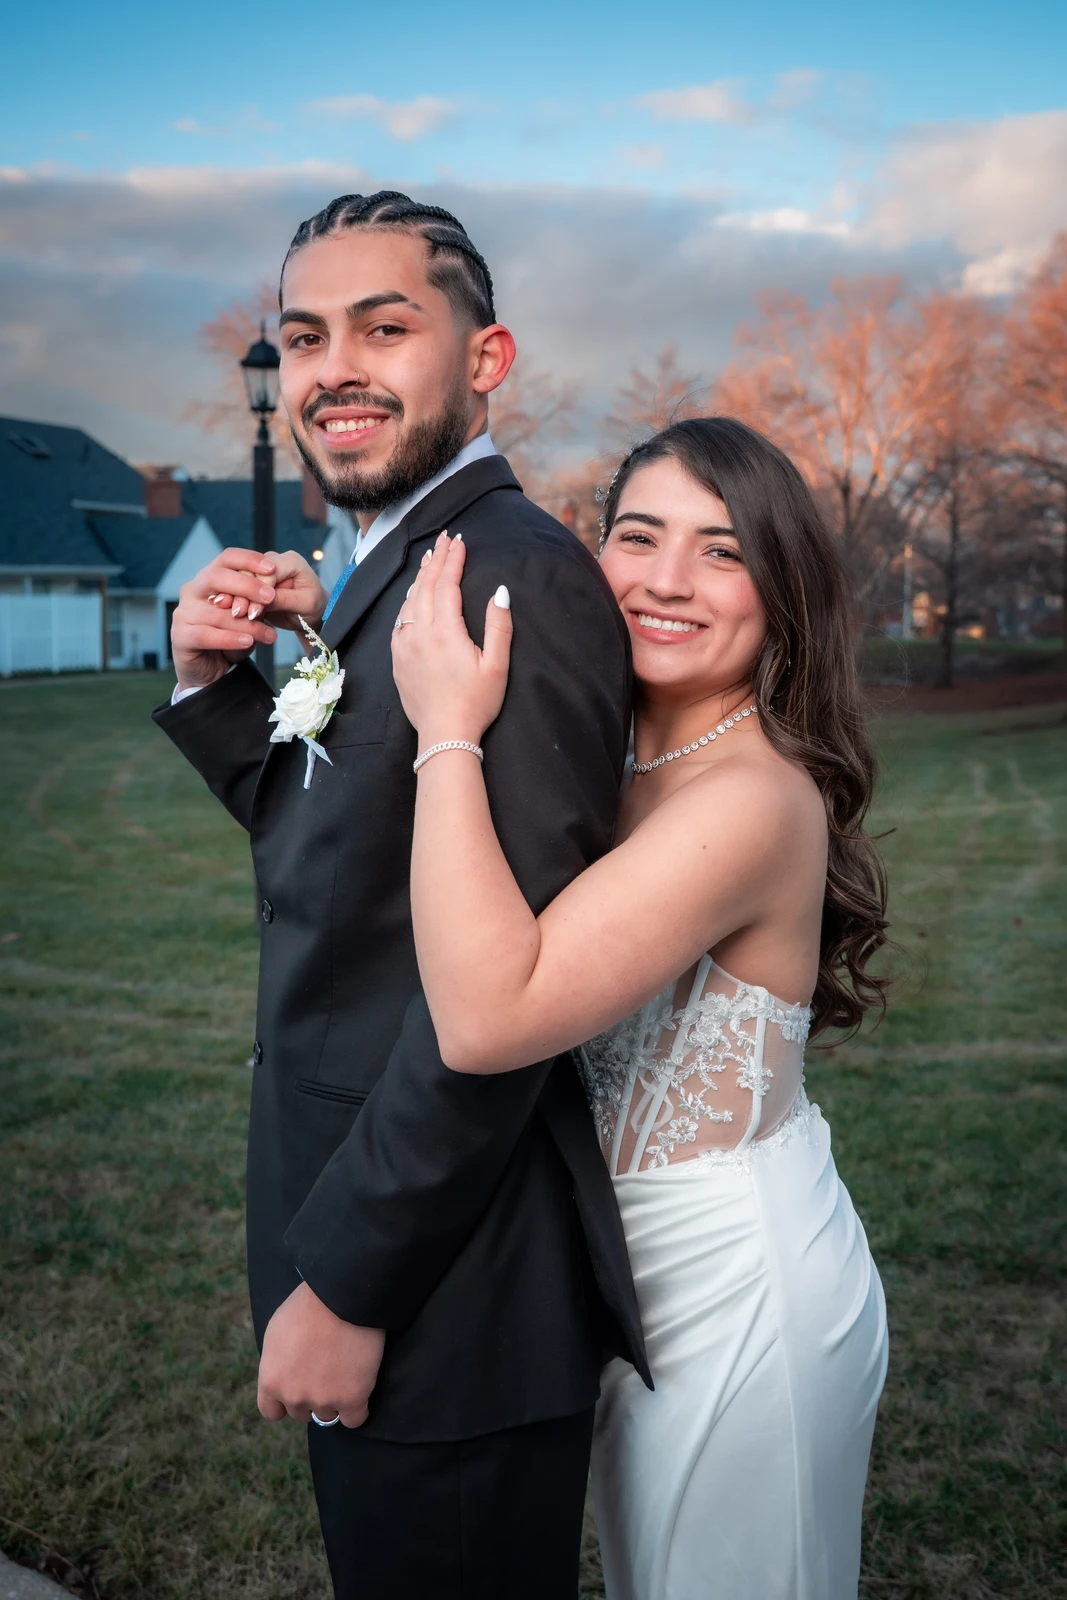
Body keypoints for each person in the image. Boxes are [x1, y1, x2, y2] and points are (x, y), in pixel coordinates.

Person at [153, 191, 649, 1600]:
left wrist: (352, 1284)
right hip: (370, 1229)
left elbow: (507, 994)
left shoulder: (514, 586)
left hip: (446, 1286)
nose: (331, 370)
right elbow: (341, 843)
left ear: (484, 359)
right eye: (302, 337)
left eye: (385, 326)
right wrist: (213, 687)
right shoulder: (391, 569)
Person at [390, 415, 891, 1600]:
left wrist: (447, 732)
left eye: (721, 552)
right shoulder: (607, 753)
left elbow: (487, 1014)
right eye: (637, 534)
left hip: (734, 1287)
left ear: (782, 593)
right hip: (611, 1270)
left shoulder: (752, 798)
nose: (666, 581)